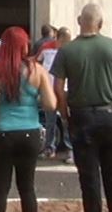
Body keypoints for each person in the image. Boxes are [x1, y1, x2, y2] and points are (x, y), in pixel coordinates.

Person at [51, 4, 112, 212]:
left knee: (89, 179)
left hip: (81, 116)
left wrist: (64, 113)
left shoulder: (66, 50)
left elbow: (58, 88)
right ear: (101, 24)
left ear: (79, 21)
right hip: (109, 115)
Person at [0, 26, 56, 212]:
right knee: (27, 189)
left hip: (1, 133)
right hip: (29, 132)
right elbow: (50, 104)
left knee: (0, 189)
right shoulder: (36, 70)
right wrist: (35, 97)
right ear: (24, 45)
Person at [36, 27, 74, 163]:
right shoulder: (46, 47)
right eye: (64, 41)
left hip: (64, 90)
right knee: (50, 121)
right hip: (49, 91)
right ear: (58, 38)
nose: (65, 44)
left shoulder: (70, 50)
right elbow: (37, 62)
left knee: (67, 121)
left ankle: (70, 150)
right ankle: (49, 148)